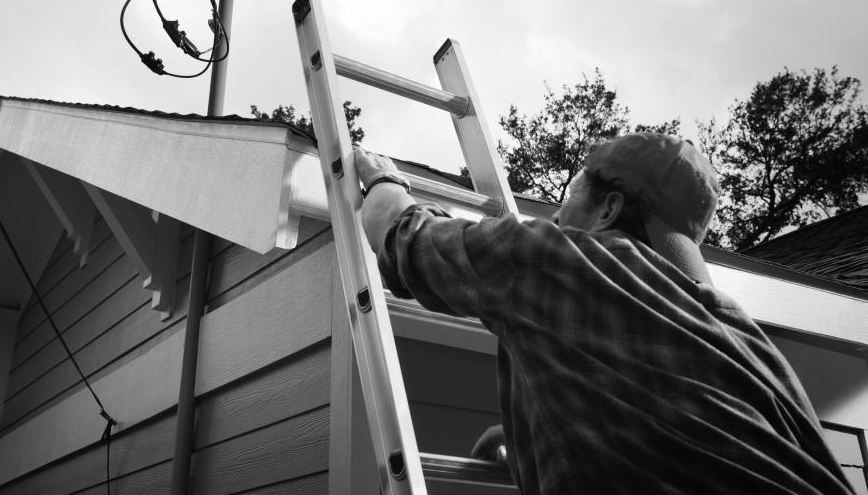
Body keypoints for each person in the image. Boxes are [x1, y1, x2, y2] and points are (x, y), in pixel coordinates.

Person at [354, 132, 853, 494]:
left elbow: (398, 231)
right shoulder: (744, 337)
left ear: (608, 209)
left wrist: (381, 177)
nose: (555, 213)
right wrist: (539, 429)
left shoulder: (564, 259)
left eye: (570, 194)